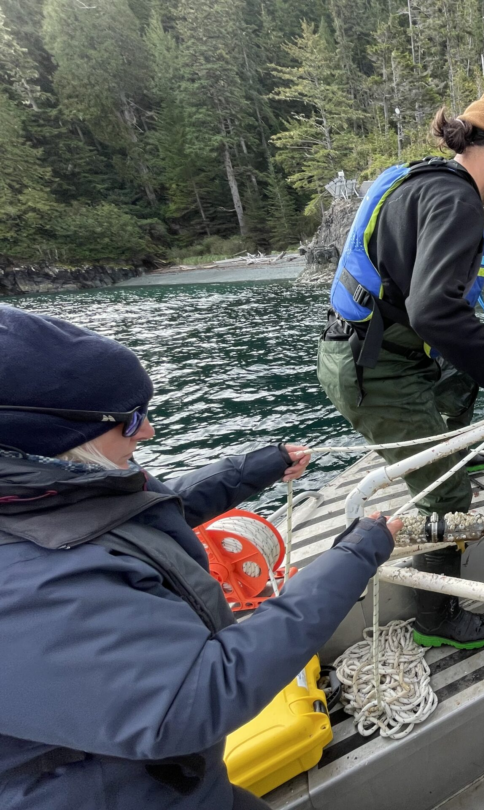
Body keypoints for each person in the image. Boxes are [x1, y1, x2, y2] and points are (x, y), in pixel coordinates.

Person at [0, 306, 401, 810]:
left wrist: (258, 467)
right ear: (45, 436)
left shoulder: (46, 489)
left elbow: (146, 512)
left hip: (177, 786)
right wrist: (355, 555)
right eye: (130, 420)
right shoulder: (20, 585)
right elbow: (197, 698)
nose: (146, 433)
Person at [317, 83, 484, 652]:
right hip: (375, 370)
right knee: (447, 493)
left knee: (460, 385)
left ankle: (451, 461)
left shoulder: (421, 181)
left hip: (363, 350)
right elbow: (434, 312)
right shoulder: (457, 202)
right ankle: (436, 616)